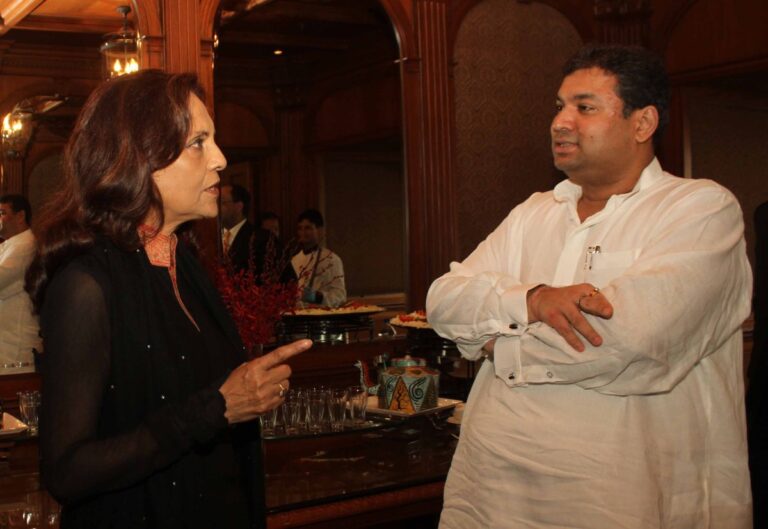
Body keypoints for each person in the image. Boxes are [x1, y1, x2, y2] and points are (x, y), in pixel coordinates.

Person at [427, 44, 752, 528]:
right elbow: (443, 301)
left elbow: (632, 342)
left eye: (584, 107)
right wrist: (533, 300)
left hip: (621, 494)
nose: (560, 121)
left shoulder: (699, 209)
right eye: (559, 106)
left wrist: (496, 344)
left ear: (642, 123)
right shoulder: (533, 212)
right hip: (495, 488)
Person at [25, 70, 311, 529]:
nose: (220, 158)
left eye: (212, 140)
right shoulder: (86, 286)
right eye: (198, 142)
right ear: (140, 157)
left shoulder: (186, 265)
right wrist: (216, 408)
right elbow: (67, 471)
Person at [0, 194, 40, 373]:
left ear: (20, 216)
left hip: (14, 350)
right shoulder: (9, 245)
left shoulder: (25, 246)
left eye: (2, 212)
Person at [291, 208, 346, 307]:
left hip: (320, 318)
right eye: (300, 228)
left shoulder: (331, 259)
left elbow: (340, 296)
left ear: (319, 230)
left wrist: (317, 297)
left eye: (307, 228)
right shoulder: (294, 260)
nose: (303, 232)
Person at [220, 183, 271, 275]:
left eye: (222, 202)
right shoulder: (211, 238)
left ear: (239, 206)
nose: (216, 207)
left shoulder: (261, 239)